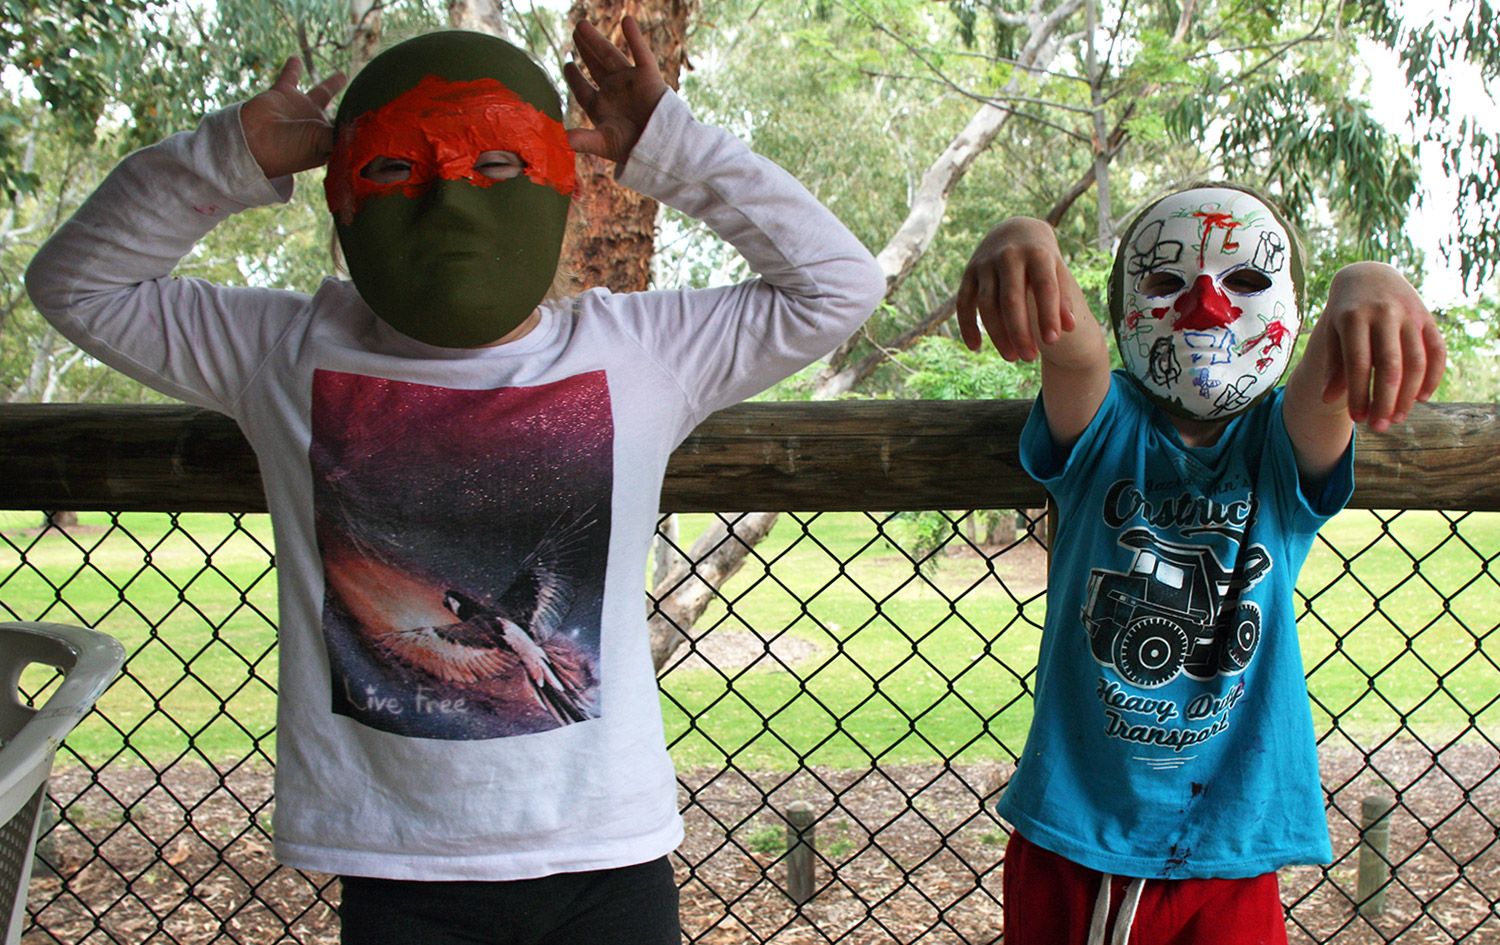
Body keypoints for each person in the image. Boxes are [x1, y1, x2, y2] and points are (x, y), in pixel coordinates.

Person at [26, 18, 884, 944]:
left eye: (502, 165)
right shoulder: (283, 349)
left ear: (557, 183)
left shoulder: (640, 351)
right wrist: (230, 156)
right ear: (343, 201)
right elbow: (76, 283)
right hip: (401, 863)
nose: (450, 205)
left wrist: (671, 146)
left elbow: (838, 285)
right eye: (394, 170)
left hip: (606, 849)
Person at [955, 185, 1445, 945]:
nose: (1208, 310)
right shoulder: (1102, 426)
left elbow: (1325, 389)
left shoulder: (1280, 454)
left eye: (1245, 282)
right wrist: (1027, 237)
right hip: (1091, 836)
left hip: (1233, 840)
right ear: (1126, 307)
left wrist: (1364, 280)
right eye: (1164, 283)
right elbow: (1075, 348)